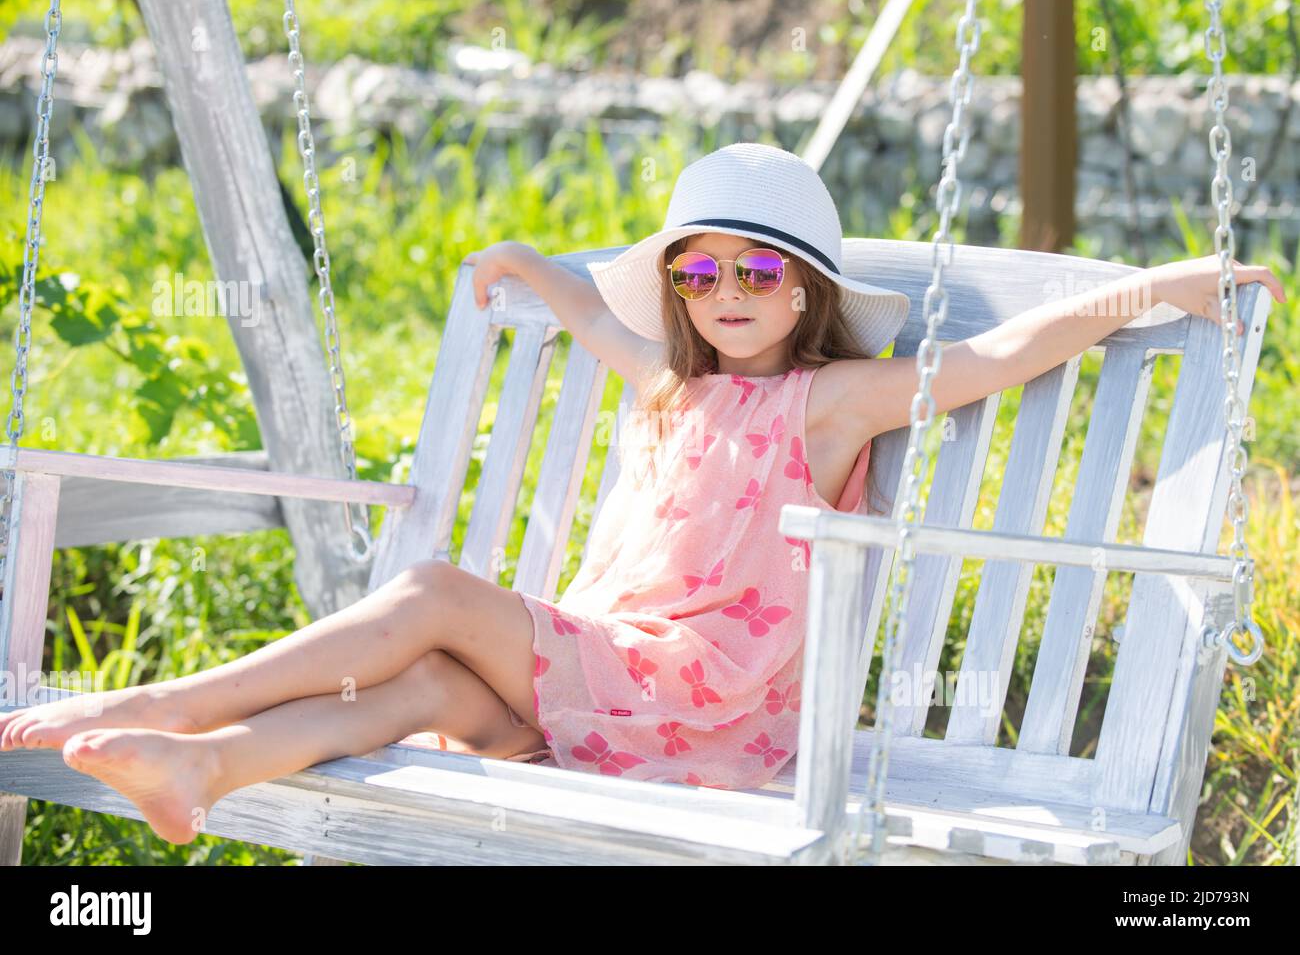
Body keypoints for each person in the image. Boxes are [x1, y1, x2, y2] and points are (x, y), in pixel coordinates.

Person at [0, 142, 1284, 845]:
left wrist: (1160, 286)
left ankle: (159, 699)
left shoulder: (833, 399)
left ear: (810, 292)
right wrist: (536, 273)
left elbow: (1003, 356)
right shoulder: (676, 388)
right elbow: (593, 317)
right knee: (429, 687)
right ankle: (202, 763)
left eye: (758, 272)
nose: (726, 293)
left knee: (438, 593)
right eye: (698, 273)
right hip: (602, 687)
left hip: (692, 703)